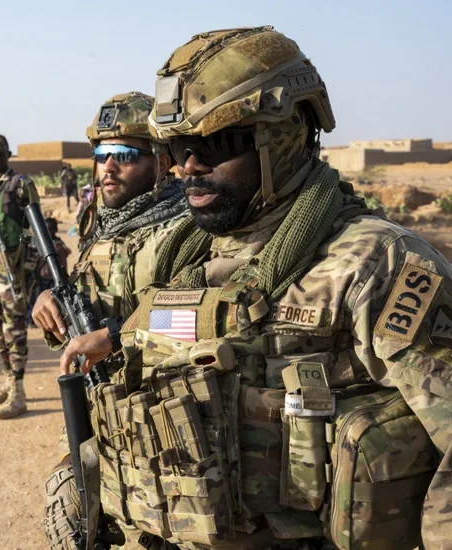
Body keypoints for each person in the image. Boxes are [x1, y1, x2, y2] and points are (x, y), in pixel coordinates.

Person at [59, 27, 452, 550]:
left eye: (218, 143)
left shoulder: (377, 264)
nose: (189, 165)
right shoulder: (190, 255)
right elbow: (182, 339)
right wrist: (120, 340)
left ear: (286, 136)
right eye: (178, 147)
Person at [33, 92, 190, 549]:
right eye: (101, 154)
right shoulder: (101, 225)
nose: (107, 167)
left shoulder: (190, 228)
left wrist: (117, 336)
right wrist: (49, 303)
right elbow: (84, 300)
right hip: (102, 414)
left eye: (123, 154)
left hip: (169, 422)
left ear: (162, 162)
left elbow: (196, 319)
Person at [0, 134, 39, 420]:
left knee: (15, 330)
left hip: (12, 268)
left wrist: (24, 260)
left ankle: (19, 392)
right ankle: (8, 380)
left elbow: (33, 228)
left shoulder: (20, 185)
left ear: (8, 155)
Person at [25, 217, 69, 325]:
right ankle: (31, 321)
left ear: (55, 230)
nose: (48, 231)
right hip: (39, 278)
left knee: (54, 301)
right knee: (34, 300)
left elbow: (63, 261)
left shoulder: (58, 244)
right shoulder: (36, 242)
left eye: (50, 229)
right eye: (46, 229)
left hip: (53, 279)